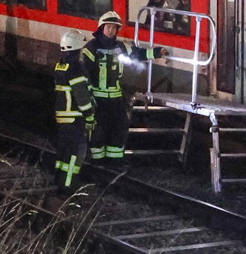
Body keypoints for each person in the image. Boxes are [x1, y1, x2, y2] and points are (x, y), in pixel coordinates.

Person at [82, 10, 167, 162]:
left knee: (119, 128)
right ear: (101, 27)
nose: (112, 30)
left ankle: (114, 161)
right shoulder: (91, 48)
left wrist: (156, 52)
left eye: (114, 28)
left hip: (115, 98)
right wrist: (88, 99)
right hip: (98, 99)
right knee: (98, 131)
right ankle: (97, 161)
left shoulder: (120, 46)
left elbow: (138, 53)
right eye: (109, 27)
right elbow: (84, 74)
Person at [52, 29, 97, 191]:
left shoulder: (61, 65)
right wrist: (90, 115)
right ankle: (68, 188)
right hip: (75, 118)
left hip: (62, 117)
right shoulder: (76, 67)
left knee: (63, 154)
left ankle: (58, 182)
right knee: (74, 155)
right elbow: (81, 95)